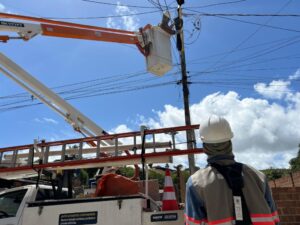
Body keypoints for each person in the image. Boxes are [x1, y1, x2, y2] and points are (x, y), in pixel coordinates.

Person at [184, 114, 279, 225]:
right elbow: (274, 219)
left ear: (205, 147)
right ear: (230, 142)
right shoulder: (258, 176)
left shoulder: (196, 183)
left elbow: (193, 223)